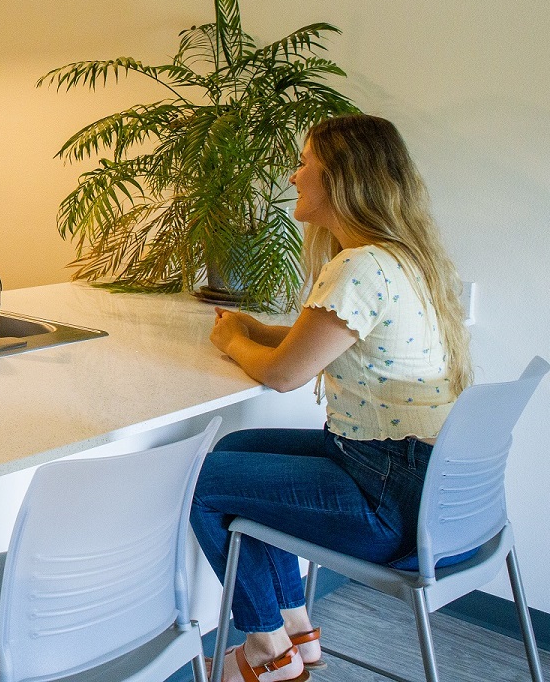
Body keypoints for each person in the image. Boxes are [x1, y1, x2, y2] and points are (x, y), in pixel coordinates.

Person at [189, 114, 472, 682]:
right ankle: (297, 632)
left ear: (340, 180)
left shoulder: (359, 266)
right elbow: (314, 343)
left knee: (197, 482)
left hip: (385, 497)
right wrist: (251, 333)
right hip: (415, 479)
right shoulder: (401, 258)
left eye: (304, 165)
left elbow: (285, 374)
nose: (293, 177)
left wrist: (230, 339)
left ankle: (267, 649)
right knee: (240, 447)